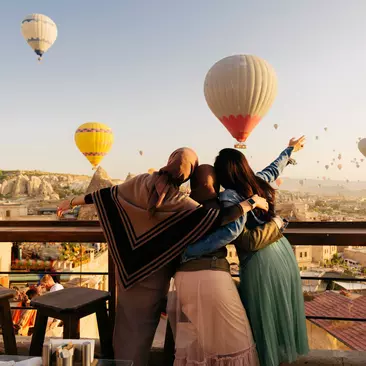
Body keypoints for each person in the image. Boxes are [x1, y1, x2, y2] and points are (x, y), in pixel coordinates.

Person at [57, 147, 269, 366]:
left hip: (128, 271)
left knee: (127, 327)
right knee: (145, 331)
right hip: (156, 274)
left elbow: (107, 195)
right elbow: (217, 219)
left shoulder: (140, 182)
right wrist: (251, 202)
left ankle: (121, 363)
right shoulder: (180, 202)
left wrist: (72, 202)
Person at [190, 137, 308, 366]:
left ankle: (266, 360)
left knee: (260, 315)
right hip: (282, 250)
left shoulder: (229, 197)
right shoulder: (258, 182)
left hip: (260, 258)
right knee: (279, 309)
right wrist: (290, 149)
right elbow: (275, 168)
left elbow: (231, 233)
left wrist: (192, 251)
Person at [169, 164, 286, 365]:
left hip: (183, 280)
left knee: (200, 344)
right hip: (212, 276)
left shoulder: (180, 206)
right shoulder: (218, 207)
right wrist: (252, 206)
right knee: (237, 344)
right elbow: (232, 232)